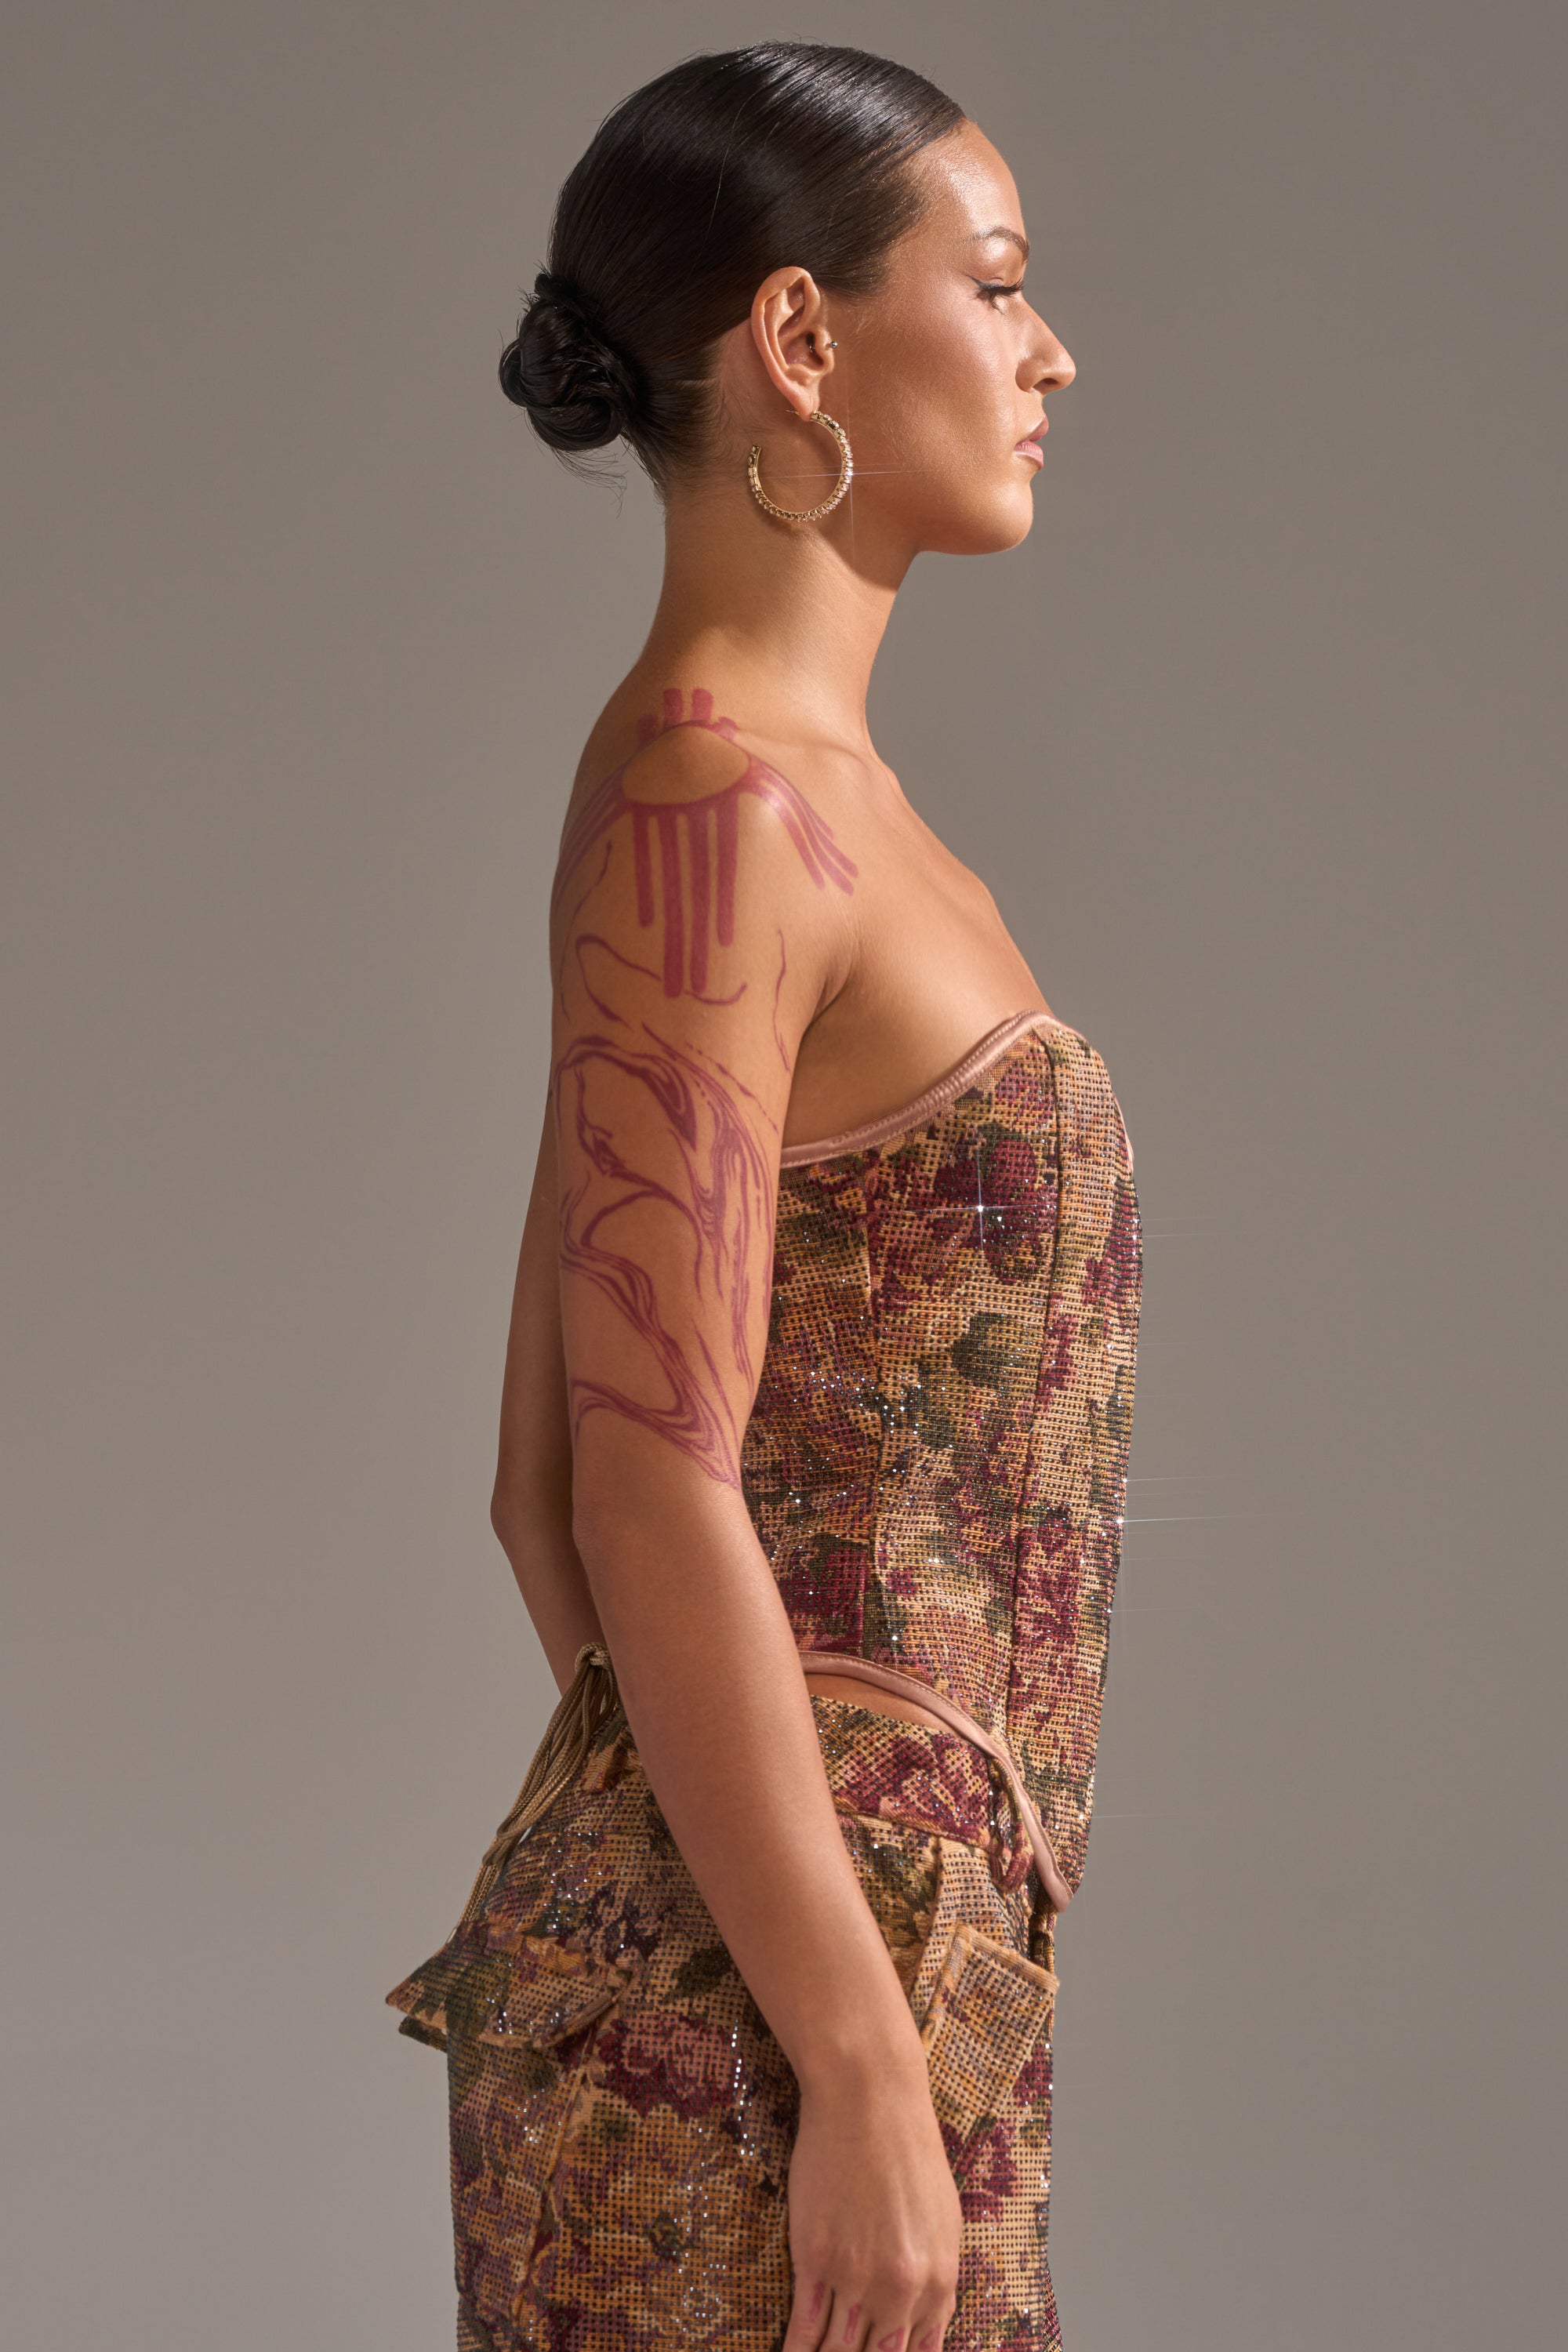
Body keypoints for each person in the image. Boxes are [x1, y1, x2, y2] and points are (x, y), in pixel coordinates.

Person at [387, 41, 1141, 2352]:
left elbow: (538, 1487)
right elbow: (622, 1483)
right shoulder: (717, 801)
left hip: (828, 1976)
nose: (1050, 352)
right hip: (796, 2037)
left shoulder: (751, 791)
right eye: (995, 286)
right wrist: (828, 2029)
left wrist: (755, 1911)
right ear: (801, 341)